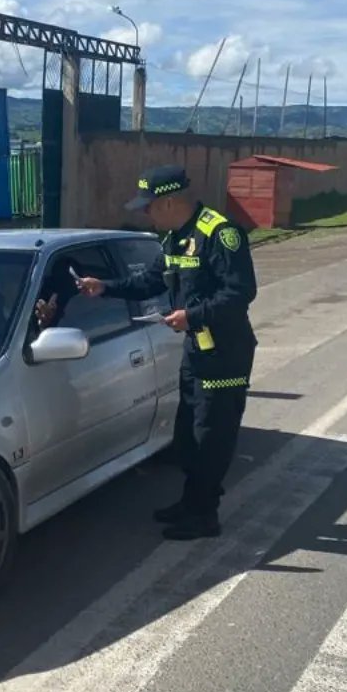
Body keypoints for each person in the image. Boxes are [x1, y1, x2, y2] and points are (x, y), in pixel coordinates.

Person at [76, 165, 258, 540]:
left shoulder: (219, 234)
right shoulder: (174, 238)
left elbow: (240, 293)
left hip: (225, 352)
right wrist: (104, 287)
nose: (146, 213)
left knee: (211, 436)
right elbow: (147, 282)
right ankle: (191, 502)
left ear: (170, 201)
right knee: (189, 435)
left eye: (149, 207)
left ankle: (205, 515)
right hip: (196, 350)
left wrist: (191, 316)